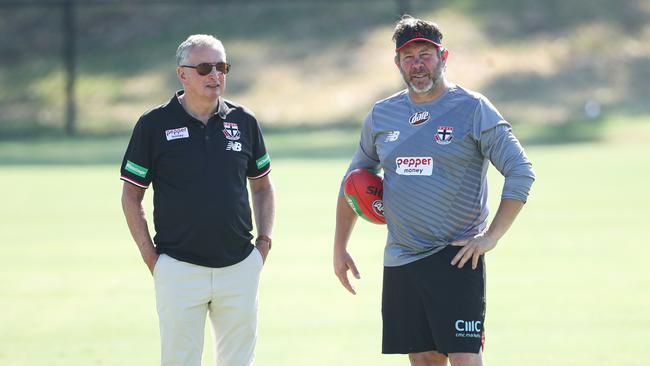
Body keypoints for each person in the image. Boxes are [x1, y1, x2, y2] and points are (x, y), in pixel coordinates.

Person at [333, 15, 535, 366]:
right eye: (409, 57)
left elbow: (520, 172)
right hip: (402, 258)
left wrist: (491, 236)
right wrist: (340, 246)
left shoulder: (473, 109)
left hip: (456, 256)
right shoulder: (383, 115)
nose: (418, 65)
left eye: (425, 54)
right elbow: (353, 181)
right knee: (424, 359)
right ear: (397, 63)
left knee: (464, 360)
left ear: (443, 57)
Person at [120, 34, 275, 366]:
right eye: (205, 68)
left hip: (239, 268)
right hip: (178, 268)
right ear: (183, 74)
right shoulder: (153, 124)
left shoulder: (244, 120)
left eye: (221, 67)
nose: (215, 75)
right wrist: (152, 258)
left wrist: (262, 245)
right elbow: (132, 196)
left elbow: (262, 186)